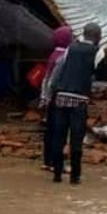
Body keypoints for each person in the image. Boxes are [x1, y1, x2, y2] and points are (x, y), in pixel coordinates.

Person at [44, 22, 104, 184]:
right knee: (76, 140)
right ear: (97, 36)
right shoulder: (98, 52)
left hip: (61, 98)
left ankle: (57, 175)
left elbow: (58, 69)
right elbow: (100, 75)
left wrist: (50, 92)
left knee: (59, 137)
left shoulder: (70, 48)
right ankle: (75, 177)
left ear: (84, 34)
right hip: (79, 100)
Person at [39, 25, 74, 171]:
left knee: (51, 130)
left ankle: (48, 161)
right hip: (59, 97)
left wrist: (44, 97)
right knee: (60, 131)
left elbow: (46, 79)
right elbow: (53, 80)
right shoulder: (64, 57)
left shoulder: (53, 55)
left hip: (51, 98)